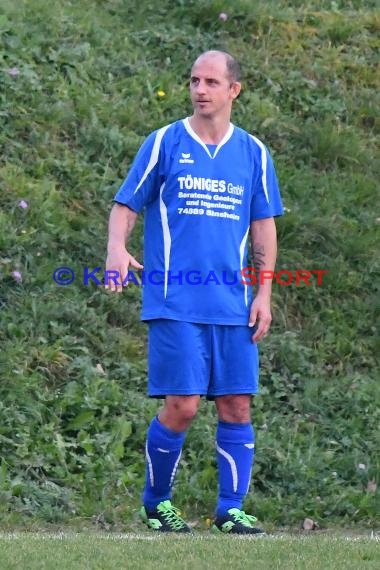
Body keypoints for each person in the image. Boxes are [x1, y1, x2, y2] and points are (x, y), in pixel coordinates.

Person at [105, 50, 283, 534]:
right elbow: (126, 203)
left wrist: (263, 294)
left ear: (234, 91)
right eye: (194, 81)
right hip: (175, 299)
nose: (200, 89)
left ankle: (231, 510)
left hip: (232, 303)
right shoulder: (164, 142)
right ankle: (156, 502)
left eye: (210, 82)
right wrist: (116, 248)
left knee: (236, 405)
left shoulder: (254, 153)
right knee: (182, 404)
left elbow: (263, 228)